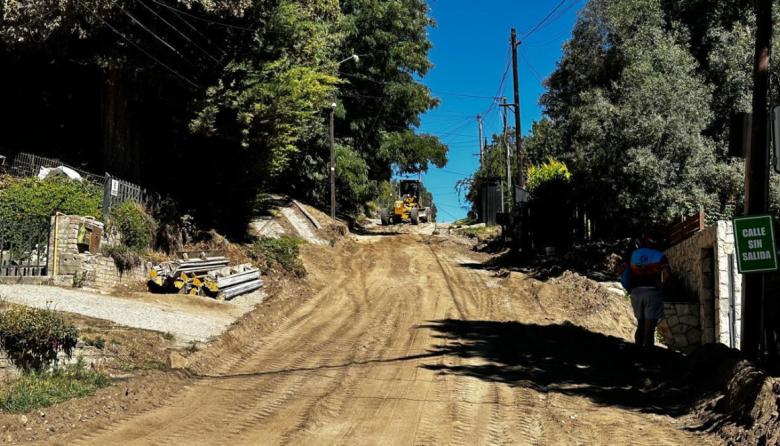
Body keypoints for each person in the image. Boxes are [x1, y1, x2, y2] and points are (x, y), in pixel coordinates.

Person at [619, 233, 671, 351]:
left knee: (640, 324)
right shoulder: (660, 256)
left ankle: (637, 353)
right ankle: (647, 359)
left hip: (636, 292)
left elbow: (622, 269)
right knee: (650, 328)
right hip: (652, 292)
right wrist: (662, 286)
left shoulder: (634, 254)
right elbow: (667, 274)